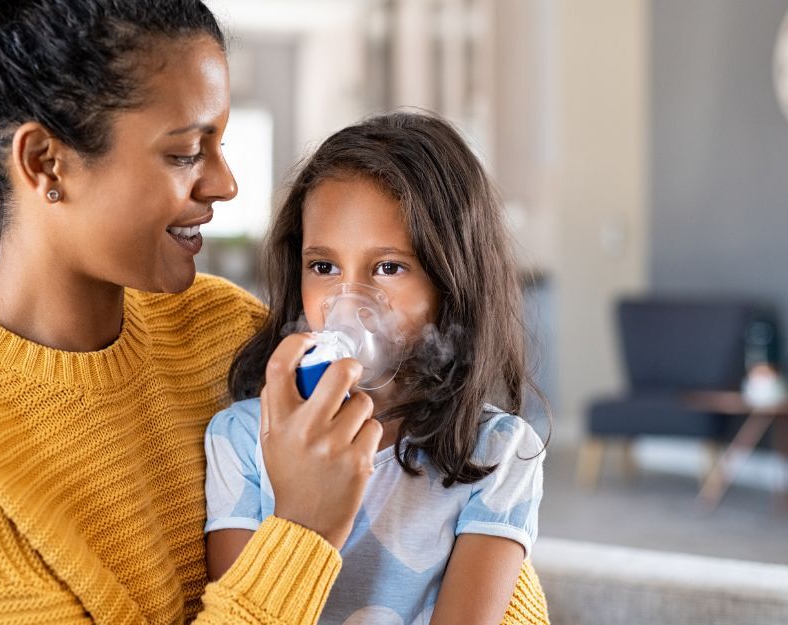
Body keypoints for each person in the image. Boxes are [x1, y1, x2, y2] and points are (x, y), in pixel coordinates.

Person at [0, 1, 381, 622]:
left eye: (220, 143)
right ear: (46, 160)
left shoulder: (225, 330)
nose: (225, 183)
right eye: (185, 152)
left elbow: (440, 531)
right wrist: (303, 531)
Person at [205, 112, 549, 625]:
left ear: (451, 280)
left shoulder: (497, 453)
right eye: (324, 267)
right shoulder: (242, 439)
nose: (349, 299)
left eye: (388, 267)